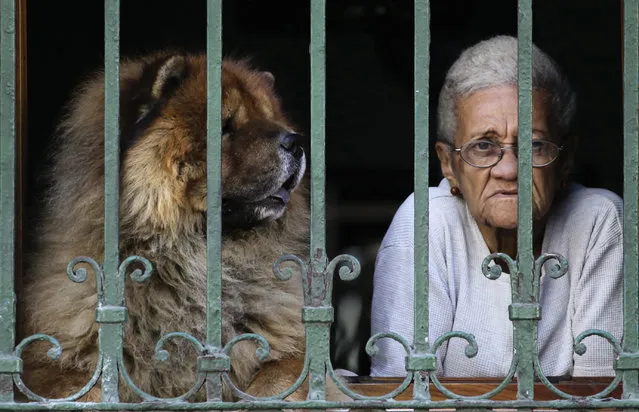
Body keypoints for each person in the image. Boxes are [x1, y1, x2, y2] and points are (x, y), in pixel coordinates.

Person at [370, 35, 623, 378]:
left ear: (564, 161)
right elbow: (404, 391)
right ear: (448, 164)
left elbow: (602, 393)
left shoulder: (598, 221)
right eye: (484, 146)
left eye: (534, 144)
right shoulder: (426, 221)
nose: (507, 170)